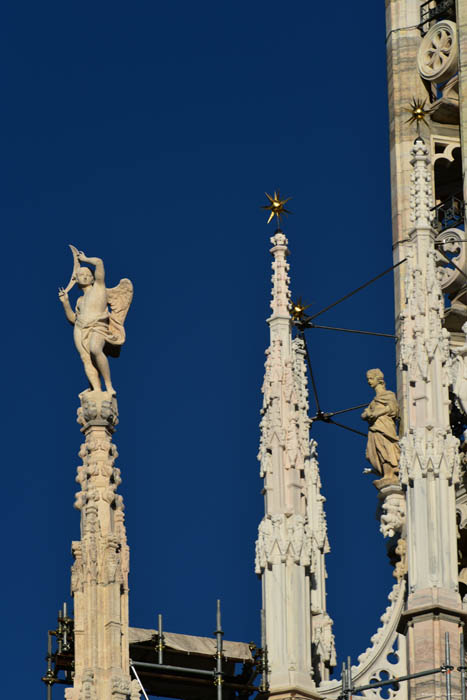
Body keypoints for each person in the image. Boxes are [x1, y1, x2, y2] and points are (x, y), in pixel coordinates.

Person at [58, 251, 130, 395]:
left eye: (88, 275)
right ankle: (96, 389)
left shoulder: (99, 287)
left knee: (95, 348)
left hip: (98, 326)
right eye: (81, 275)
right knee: (86, 359)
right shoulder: (79, 300)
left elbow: (99, 263)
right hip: (80, 328)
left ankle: (108, 386)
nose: (84, 277)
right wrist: (65, 303)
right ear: (76, 279)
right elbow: (73, 318)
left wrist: (84, 259)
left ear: (92, 279)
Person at [361, 368, 400, 487]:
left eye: (371, 378)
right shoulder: (373, 401)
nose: (369, 381)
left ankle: (389, 474)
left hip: (384, 426)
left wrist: (376, 413)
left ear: (378, 379)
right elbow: (364, 414)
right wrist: (368, 414)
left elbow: (393, 409)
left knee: (386, 448)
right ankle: (385, 473)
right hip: (375, 428)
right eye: (368, 379)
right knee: (374, 452)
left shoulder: (388, 395)